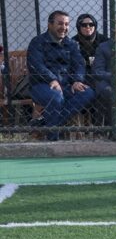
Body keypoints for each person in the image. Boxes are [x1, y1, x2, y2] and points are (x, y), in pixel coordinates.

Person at [26, 10, 96, 141]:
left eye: (66, 24)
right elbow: (36, 65)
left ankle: (44, 125)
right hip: (42, 85)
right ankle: (53, 139)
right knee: (56, 97)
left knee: (88, 92)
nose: (64, 27)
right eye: (60, 24)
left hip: (66, 85)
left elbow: (79, 64)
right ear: (50, 25)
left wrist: (77, 80)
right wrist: (52, 79)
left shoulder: (72, 44)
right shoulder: (37, 42)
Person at [72, 13, 107, 127]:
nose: (88, 27)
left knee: (100, 89)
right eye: (84, 25)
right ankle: (86, 125)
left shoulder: (104, 41)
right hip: (81, 78)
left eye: (91, 24)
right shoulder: (73, 43)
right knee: (83, 89)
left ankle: (99, 126)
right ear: (78, 27)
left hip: (101, 76)